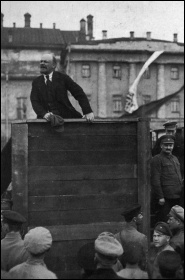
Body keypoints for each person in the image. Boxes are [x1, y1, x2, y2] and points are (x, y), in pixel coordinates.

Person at [30, 53, 94, 122]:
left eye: (45, 62)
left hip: (66, 118)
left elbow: (79, 93)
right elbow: (34, 101)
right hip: (45, 119)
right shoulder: (36, 82)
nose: (42, 63)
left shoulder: (63, 78)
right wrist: (44, 114)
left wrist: (88, 111)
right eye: (41, 61)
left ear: (53, 65)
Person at [151, 135, 183, 222]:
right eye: (166, 145)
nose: (169, 147)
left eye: (171, 145)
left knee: (177, 221)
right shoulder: (157, 159)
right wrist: (160, 197)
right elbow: (155, 180)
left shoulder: (175, 158)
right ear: (161, 146)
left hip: (178, 196)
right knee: (165, 220)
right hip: (166, 198)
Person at [114, 204, 148, 270]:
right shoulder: (142, 238)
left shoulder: (117, 236)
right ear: (134, 219)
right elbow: (145, 261)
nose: (142, 217)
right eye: (140, 215)